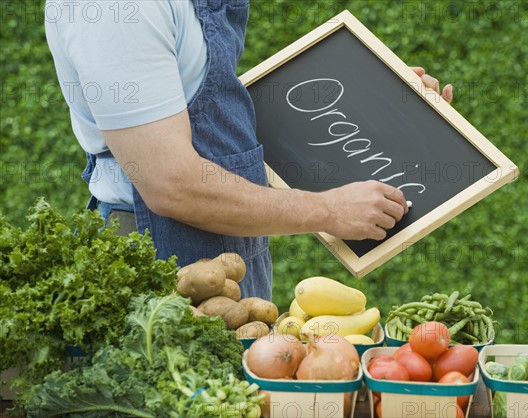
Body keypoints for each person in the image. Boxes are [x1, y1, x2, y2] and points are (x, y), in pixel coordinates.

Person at [45, 0, 452, 299]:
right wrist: (327, 210)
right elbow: (171, 185)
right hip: (158, 255)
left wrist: (383, 103)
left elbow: (212, 121)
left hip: (235, 252)